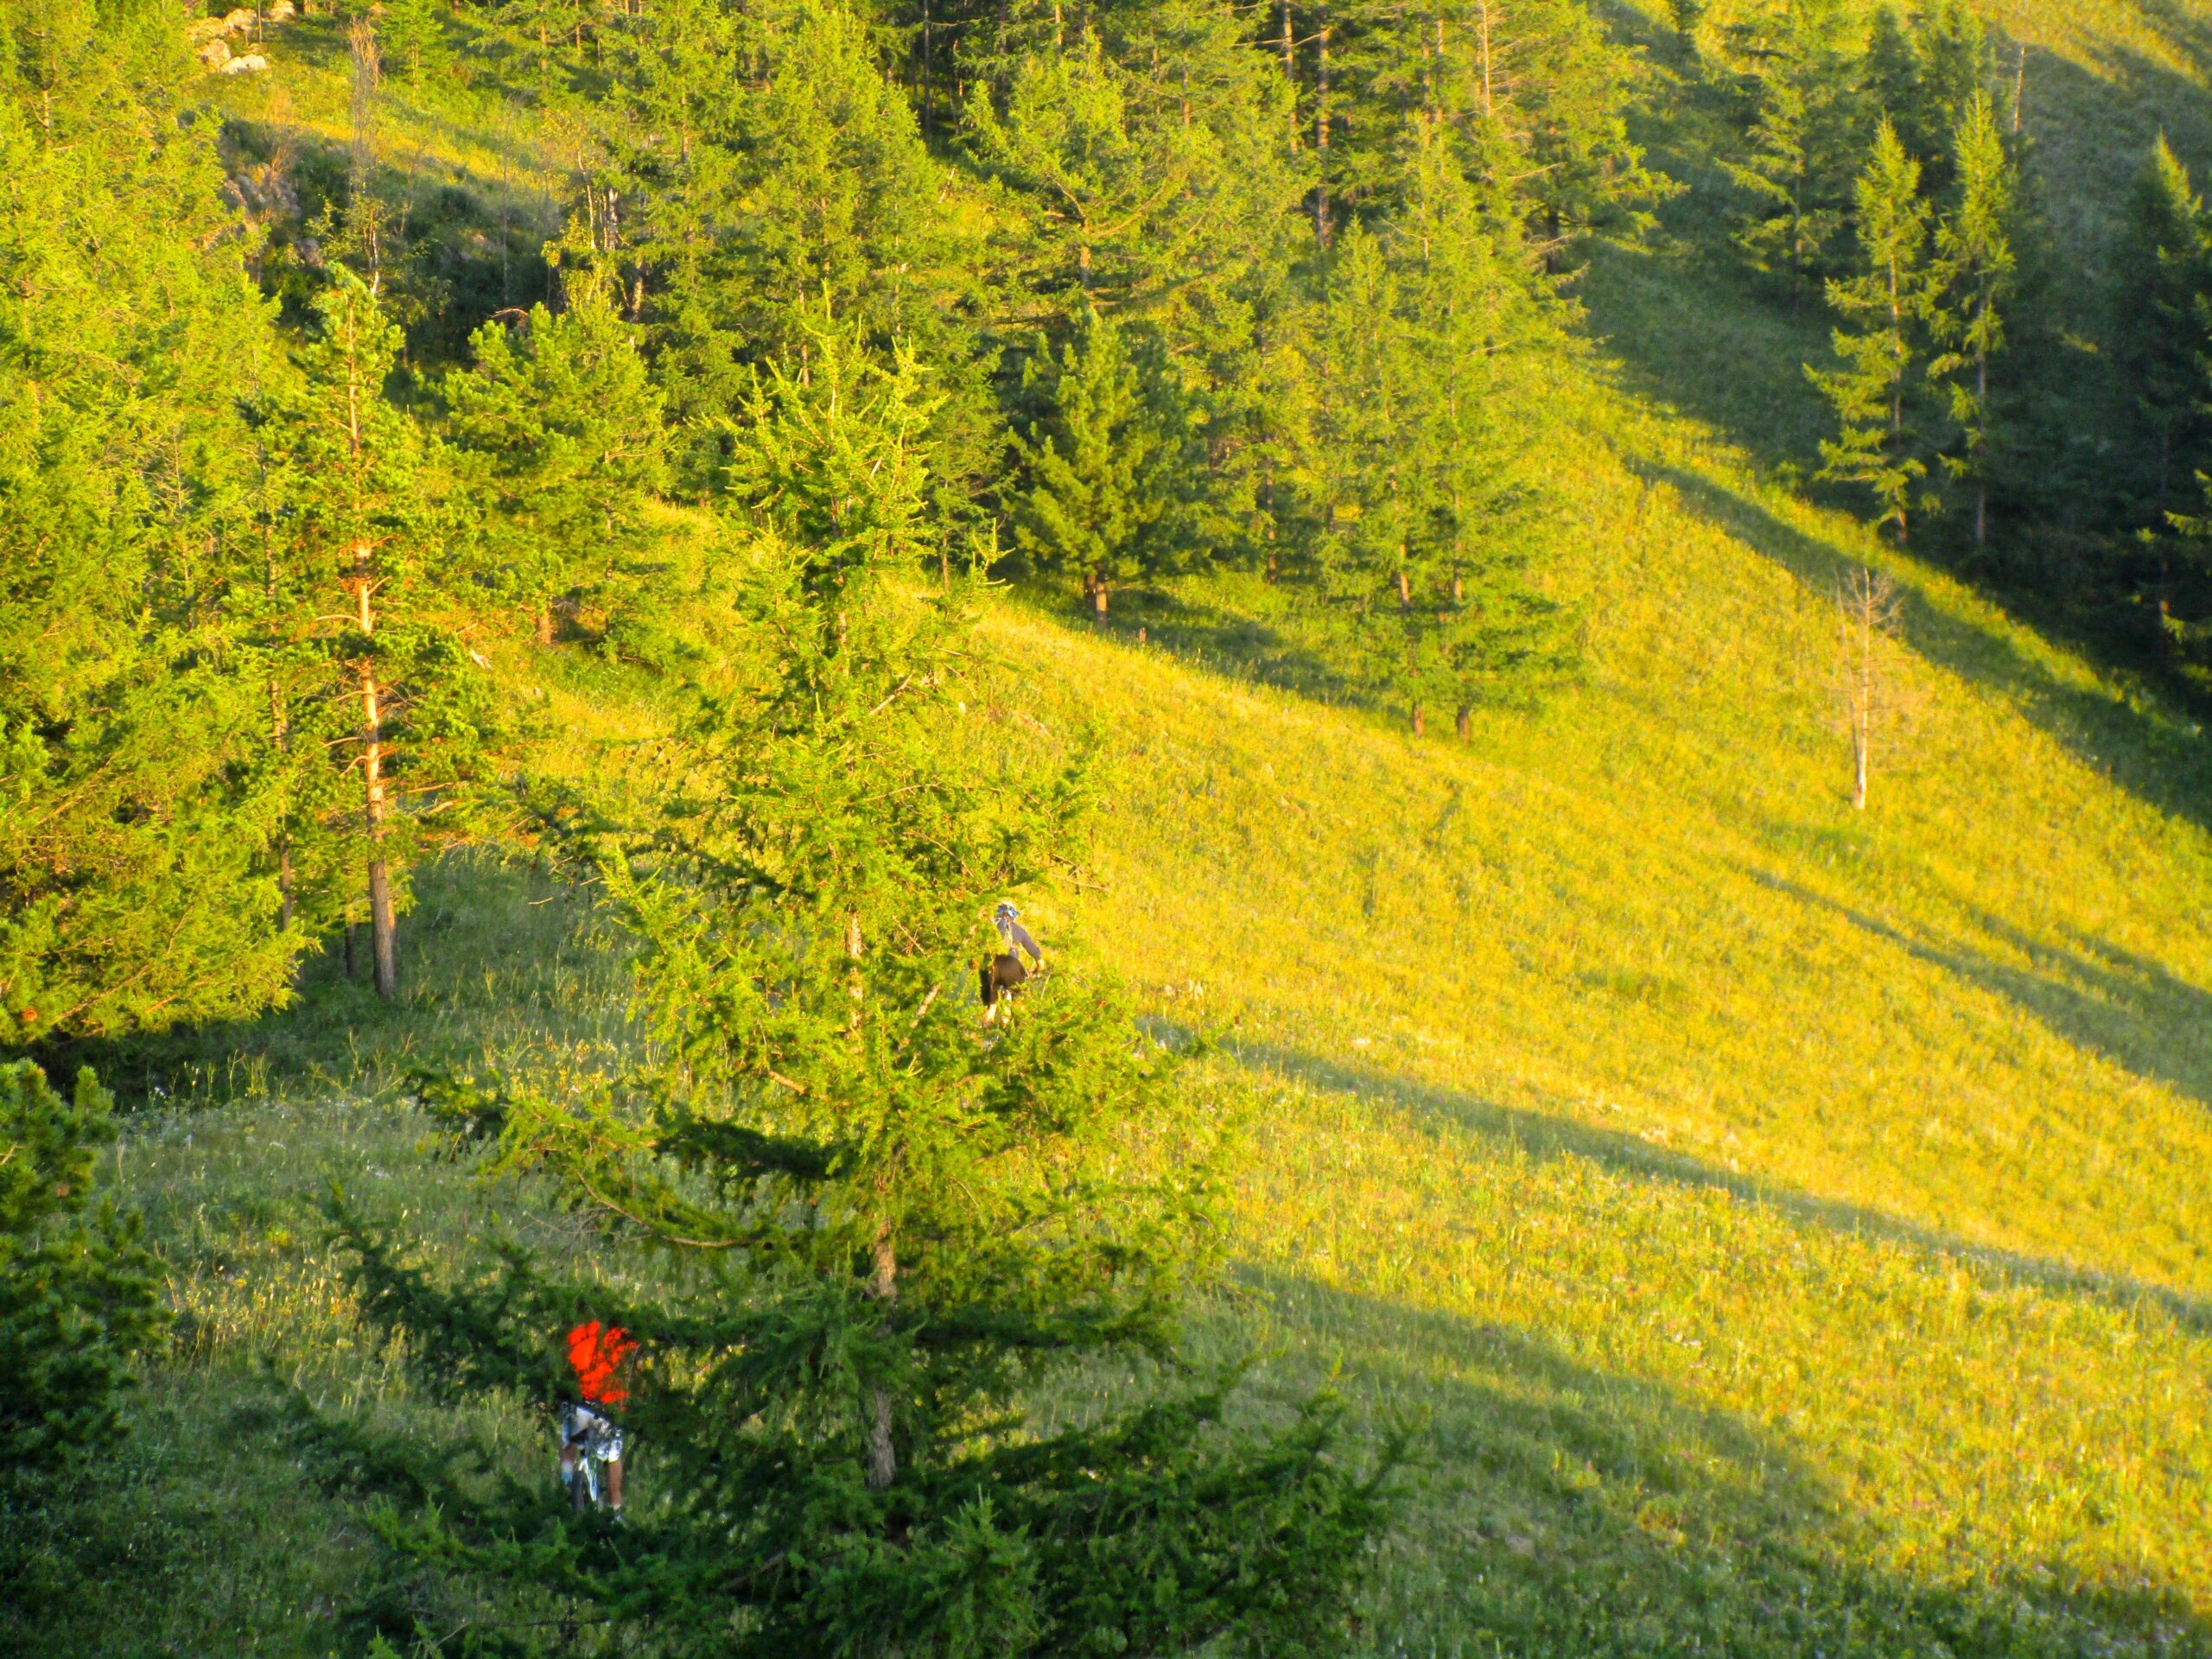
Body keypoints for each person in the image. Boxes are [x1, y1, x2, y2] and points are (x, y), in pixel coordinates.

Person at [561, 1319, 636, 1514]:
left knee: (571, 1441)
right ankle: (615, 1508)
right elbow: (635, 1358)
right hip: (607, 1408)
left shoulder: (576, 1333)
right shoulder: (618, 1336)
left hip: (579, 1404)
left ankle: (567, 1478)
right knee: (612, 1459)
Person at [980, 901, 1044, 1024]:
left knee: (991, 1007)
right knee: (1018, 1002)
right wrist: (1036, 971)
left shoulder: (989, 926)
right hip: (1012, 967)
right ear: (1014, 915)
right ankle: (1014, 1032)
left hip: (993, 966)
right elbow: (1040, 962)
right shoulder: (1019, 930)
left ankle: (983, 1035)